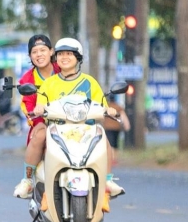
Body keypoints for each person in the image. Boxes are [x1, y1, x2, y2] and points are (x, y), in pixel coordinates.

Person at [14, 38, 124, 200]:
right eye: (61, 54)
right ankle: (28, 179)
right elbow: (40, 104)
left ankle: (107, 180)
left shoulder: (89, 82)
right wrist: (39, 109)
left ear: (78, 58)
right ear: (56, 57)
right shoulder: (48, 84)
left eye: (69, 54)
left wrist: (109, 110)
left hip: (84, 127)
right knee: (39, 135)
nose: (65, 58)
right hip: (56, 127)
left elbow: (101, 104)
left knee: (102, 138)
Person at [13, 35, 58, 198]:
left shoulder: (63, 70)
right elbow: (27, 106)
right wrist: (38, 117)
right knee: (40, 134)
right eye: (34, 52)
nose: (39, 54)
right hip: (42, 122)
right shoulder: (27, 79)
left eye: (43, 50)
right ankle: (28, 180)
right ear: (30, 56)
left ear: (51, 51)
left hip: (68, 121)